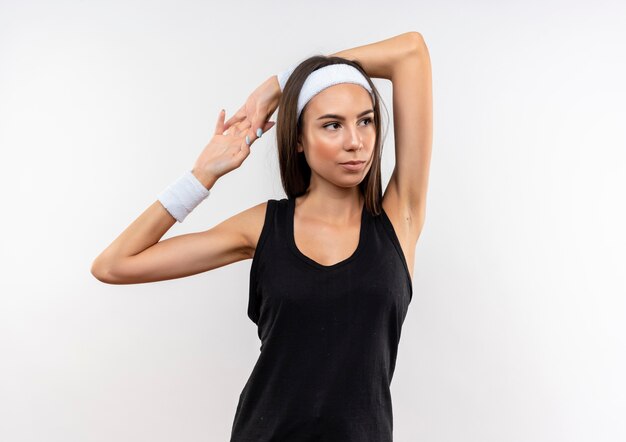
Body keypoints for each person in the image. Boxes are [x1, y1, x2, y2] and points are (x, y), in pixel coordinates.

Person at [91, 31, 432, 441]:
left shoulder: (399, 217)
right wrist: (202, 176)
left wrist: (280, 84)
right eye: (332, 125)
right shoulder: (264, 227)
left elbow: (411, 53)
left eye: (365, 120)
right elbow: (114, 265)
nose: (355, 142)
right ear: (300, 140)